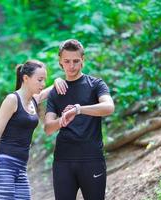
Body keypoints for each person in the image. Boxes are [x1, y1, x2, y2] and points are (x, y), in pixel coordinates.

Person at [0, 59, 68, 199]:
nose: (43, 84)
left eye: (44, 80)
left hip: (21, 167)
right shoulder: (12, 100)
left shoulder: (34, 100)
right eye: (39, 80)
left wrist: (58, 79)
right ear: (26, 78)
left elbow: (50, 89)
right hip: (4, 165)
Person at [44, 39, 115, 200]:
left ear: (83, 60)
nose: (72, 66)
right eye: (67, 61)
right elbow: (48, 128)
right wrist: (61, 121)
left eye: (76, 61)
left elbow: (109, 107)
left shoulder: (96, 84)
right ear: (60, 62)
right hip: (63, 160)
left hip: (92, 158)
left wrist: (79, 110)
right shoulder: (56, 91)